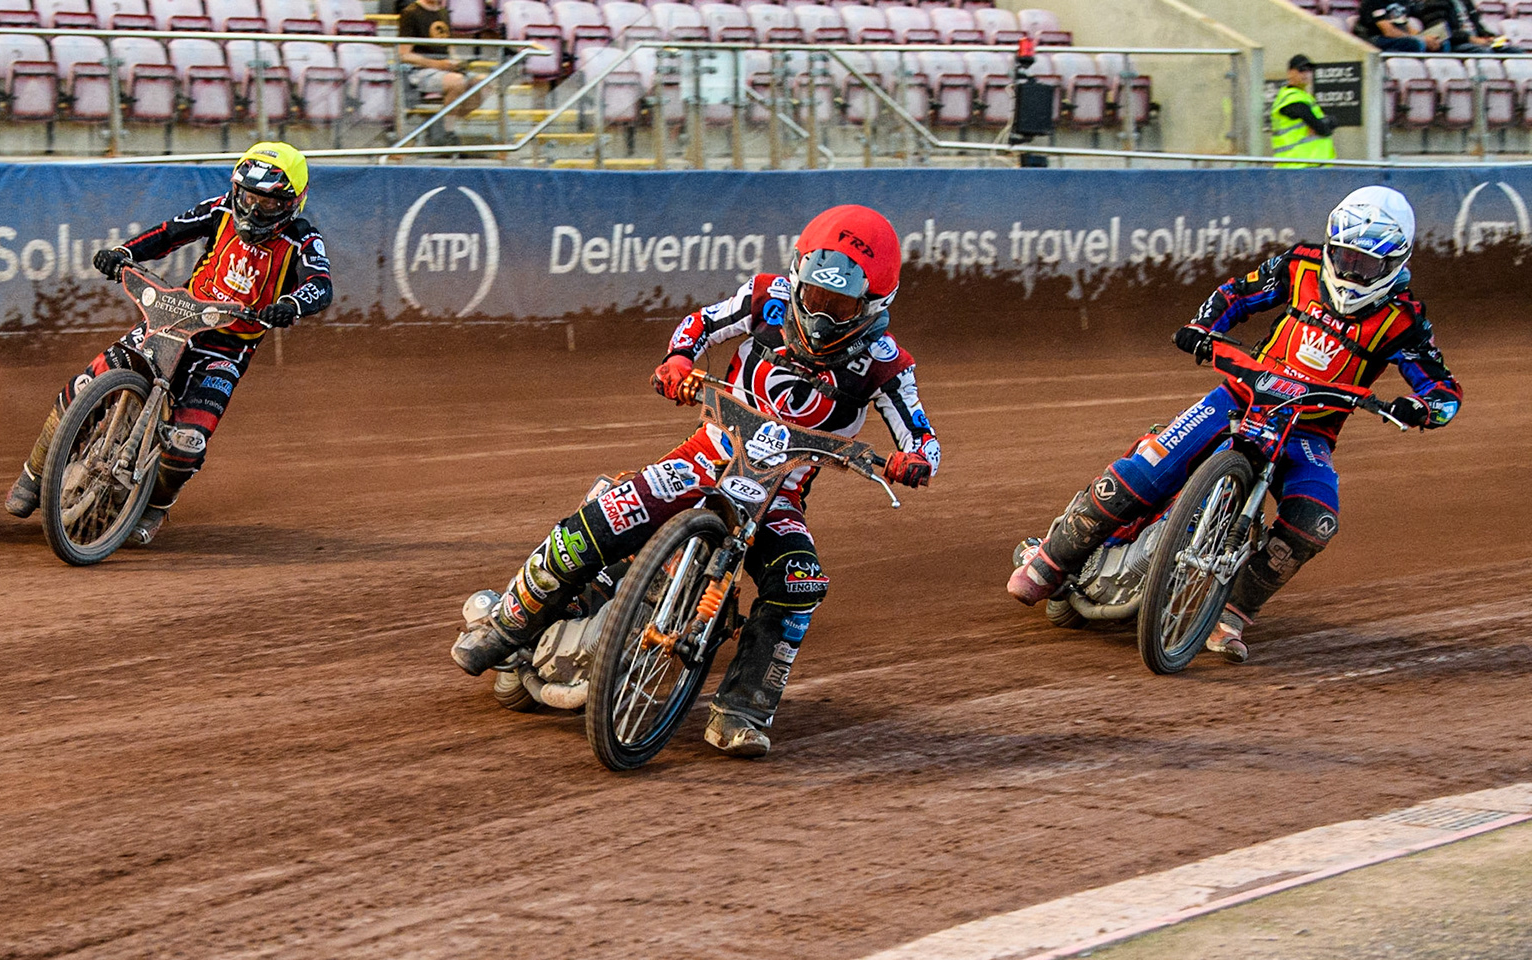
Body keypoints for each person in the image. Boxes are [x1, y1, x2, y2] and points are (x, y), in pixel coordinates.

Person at [450, 205, 942, 759]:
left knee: (800, 582)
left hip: (779, 496)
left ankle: (743, 710)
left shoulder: (887, 364)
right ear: (799, 273)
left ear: (874, 306)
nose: (823, 314)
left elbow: (923, 436)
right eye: (816, 295)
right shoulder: (767, 296)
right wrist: (678, 360)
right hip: (706, 455)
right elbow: (700, 324)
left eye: (841, 305)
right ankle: (509, 621)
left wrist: (913, 460)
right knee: (609, 513)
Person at [1006, 187, 1462, 664]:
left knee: (1315, 520)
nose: (1351, 272)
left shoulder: (1404, 320)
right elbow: (1237, 295)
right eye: (1344, 256)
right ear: (1329, 246)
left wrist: (1421, 409)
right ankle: (1051, 562)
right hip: (1241, 394)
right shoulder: (1301, 265)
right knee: (1143, 473)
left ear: (1395, 263)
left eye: (1366, 265)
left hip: (1308, 432)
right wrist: (1203, 328)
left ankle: (1233, 615)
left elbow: (1443, 390)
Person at [3, 141, 332, 545]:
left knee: (187, 443)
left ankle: (156, 505)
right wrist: (124, 253)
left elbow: (321, 285)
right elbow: (169, 233)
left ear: (292, 202)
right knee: (82, 389)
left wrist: (291, 304)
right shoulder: (220, 209)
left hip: (226, 347)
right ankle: (35, 473)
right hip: (175, 317)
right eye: (247, 197)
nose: (252, 209)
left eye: (266, 202)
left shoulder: (304, 239)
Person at [397, 0, 483, 147]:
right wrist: (437, 64)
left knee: (484, 84)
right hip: (420, 71)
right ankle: (447, 133)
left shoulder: (443, 12)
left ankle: (439, 123)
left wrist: (455, 62)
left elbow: (449, 47)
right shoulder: (410, 13)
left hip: (445, 69)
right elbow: (404, 54)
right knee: (456, 82)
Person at [1271, 55, 1335, 169]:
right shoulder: (1292, 98)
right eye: (1301, 70)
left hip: (1309, 167)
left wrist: (1327, 123)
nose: (1306, 74)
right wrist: (1325, 124)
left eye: (1309, 70)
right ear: (1290, 73)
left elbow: (1326, 124)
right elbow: (1322, 128)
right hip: (1297, 167)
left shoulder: (1305, 97)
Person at [1414, 0, 1521, 52]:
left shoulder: (1466, 2)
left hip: (1474, 42)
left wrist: (1489, 36)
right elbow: (1440, 32)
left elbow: (1477, 27)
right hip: (1455, 44)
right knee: (1482, 52)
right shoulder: (1434, 3)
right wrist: (1471, 39)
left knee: (1513, 51)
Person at [1356, 2, 1438, 52]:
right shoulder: (1374, 2)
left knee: (1439, 44)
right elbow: (1388, 31)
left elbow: (1405, 27)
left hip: (1395, 38)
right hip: (1372, 40)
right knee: (1415, 44)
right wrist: (1420, 39)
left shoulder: (1400, 2)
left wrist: (1427, 38)